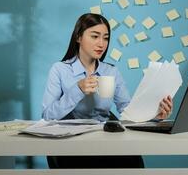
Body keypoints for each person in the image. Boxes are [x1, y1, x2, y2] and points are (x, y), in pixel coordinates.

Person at [42, 13, 173, 168]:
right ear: (78, 37)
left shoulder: (111, 71)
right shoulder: (60, 70)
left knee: (132, 161)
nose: (101, 44)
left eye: (105, 38)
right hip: (72, 145)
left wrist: (155, 115)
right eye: (95, 36)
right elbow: (47, 116)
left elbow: (128, 110)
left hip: (106, 141)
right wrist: (77, 89)